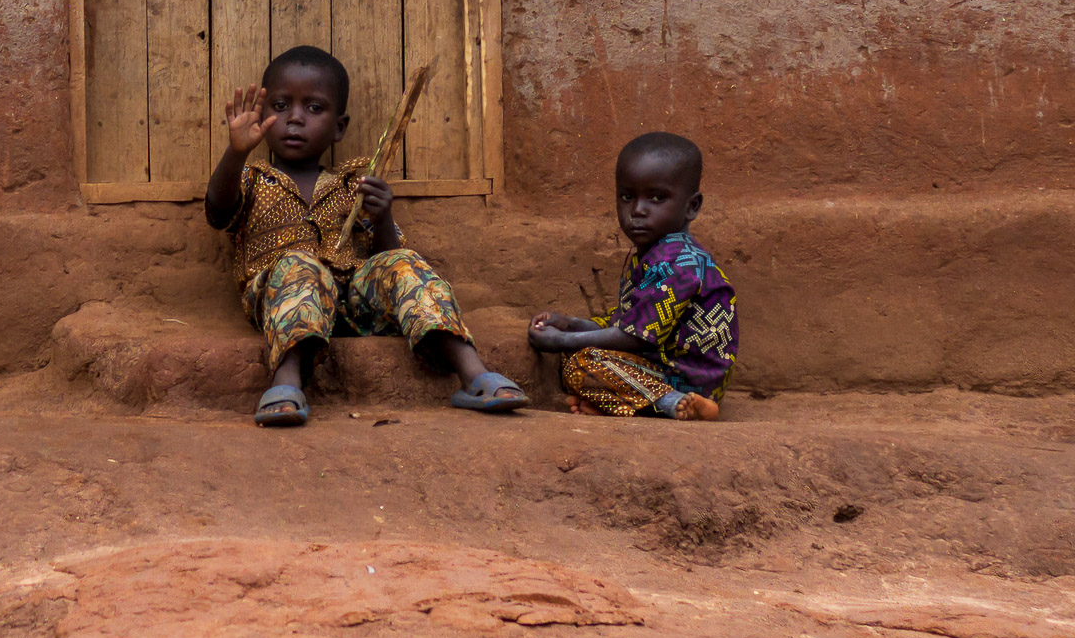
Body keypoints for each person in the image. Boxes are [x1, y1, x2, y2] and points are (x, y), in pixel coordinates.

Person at [205, 45, 528, 426]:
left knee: (405, 263)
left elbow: (387, 258)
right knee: (299, 265)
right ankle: (288, 380)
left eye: (313, 108)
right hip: (284, 297)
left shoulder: (354, 181)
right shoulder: (252, 178)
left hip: (355, 301)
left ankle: (473, 374)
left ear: (339, 126)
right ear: (263, 116)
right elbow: (218, 211)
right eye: (280, 106)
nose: (294, 119)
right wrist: (235, 153)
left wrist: (384, 214)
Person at [528, 132, 738, 420]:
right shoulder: (655, 253)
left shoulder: (677, 263)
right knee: (577, 360)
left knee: (581, 362)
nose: (637, 210)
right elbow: (627, 322)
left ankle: (675, 403)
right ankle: (619, 404)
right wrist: (569, 324)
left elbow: (634, 338)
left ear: (692, 206)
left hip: (689, 381)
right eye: (627, 197)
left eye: (657, 198)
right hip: (657, 366)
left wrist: (561, 340)